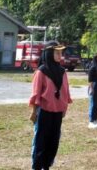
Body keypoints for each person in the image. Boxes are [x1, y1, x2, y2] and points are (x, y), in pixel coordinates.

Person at [29, 41, 72, 170]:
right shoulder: (41, 72)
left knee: (53, 141)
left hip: (58, 111)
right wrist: (33, 111)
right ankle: (36, 166)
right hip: (44, 111)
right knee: (40, 141)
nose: (60, 55)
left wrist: (64, 107)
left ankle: (46, 166)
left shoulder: (62, 71)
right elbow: (36, 93)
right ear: (49, 53)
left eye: (61, 53)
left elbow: (65, 91)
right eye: (57, 52)